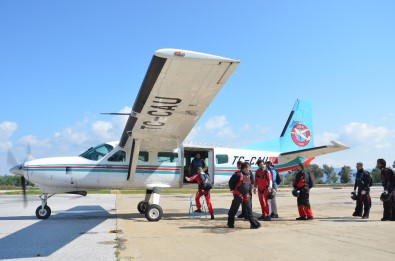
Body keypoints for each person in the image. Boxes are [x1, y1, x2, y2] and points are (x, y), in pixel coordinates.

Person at [227, 162, 261, 229]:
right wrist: (233, 190)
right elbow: (230, 182)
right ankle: (230, 224)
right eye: (248, 167)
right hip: (238, 195)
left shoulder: (248, 174)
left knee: (249, 211)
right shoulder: (237, 174)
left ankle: (254, 224)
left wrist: (249, 193)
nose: (249, 169)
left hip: (246, 195)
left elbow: (249, 184)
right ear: (245, 168)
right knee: (233, 210)